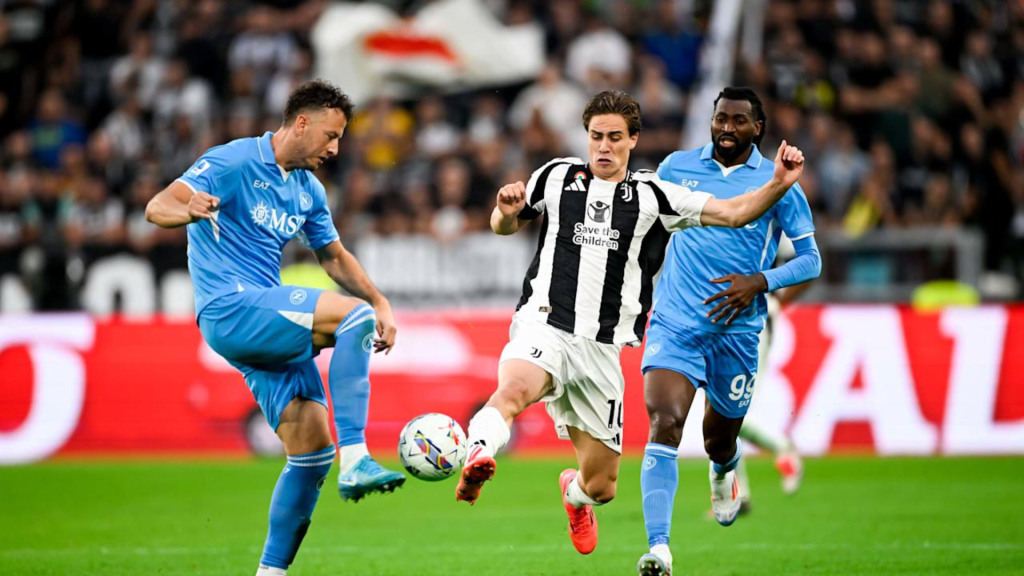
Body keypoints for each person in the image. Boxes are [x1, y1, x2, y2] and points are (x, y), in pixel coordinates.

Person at [454, 90, 806, 557]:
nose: (603, 146)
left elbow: (735, 212)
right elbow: (504, 226)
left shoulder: (655, 196)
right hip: (545, 324)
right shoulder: (556, 176)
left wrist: (779, 183)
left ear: (633, 139)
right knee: (514, 389)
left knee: (601, 486)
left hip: (602, 349)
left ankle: (574, 496)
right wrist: (503, 208)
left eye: (614, 137)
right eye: (596, 136)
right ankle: (477, 453)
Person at [145, 80, 404, 576]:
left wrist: (380, 299)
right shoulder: (233, 161)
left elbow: (333, 256)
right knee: (353, 319)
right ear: (301, 123)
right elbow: (157, 206)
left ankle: (270, 573)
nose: (335, 148)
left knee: (312, 450)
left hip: (263, 318)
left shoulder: (308, 190)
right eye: (331, 135)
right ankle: (358, 458)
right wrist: (187, 209)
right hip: (230, 306)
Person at [636, 87, 821, 576]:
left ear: (757, 128)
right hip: (675, 322)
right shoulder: (676, 167)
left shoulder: (779, 182)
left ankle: (724, 469)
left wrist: (760, 282)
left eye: (738, 121)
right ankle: (659, 549)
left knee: (718, 440)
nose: (726, 128)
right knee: (664, 422)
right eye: (721, 118)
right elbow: (649, 231)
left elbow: (811, 260)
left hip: (736, 333)